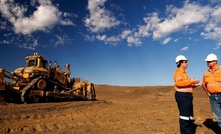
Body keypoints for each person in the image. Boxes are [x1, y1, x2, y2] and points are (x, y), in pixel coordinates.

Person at [173, 55, 200, 134]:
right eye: (185, 62)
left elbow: (185, 84)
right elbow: (179, 83)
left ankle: (190, 132)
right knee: (184, 116)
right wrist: (192, 81)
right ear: (181, 63)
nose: (187, 63)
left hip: (187, 96)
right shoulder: (178, 72)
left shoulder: (185, 73)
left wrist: (193, 85)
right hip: (182, 96)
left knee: (190, 116)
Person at [202, 53, 221, 129]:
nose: (208, 63)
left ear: (215, 61)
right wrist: (208, 94)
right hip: (212, 97)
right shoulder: (206, 72)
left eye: (209, 61)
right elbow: (203, 84)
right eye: (207, 61)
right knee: (218, 117)